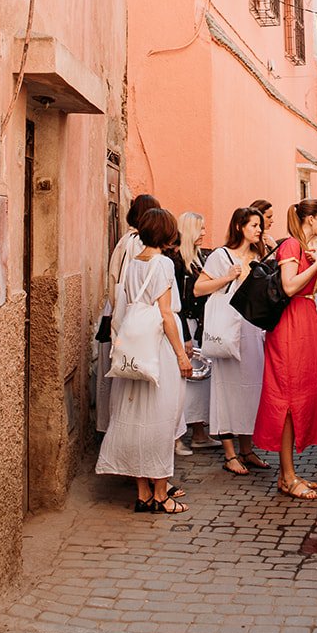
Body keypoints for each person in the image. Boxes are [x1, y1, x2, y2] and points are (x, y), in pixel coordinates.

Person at [95, 206, 195, 513]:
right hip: (159, 348)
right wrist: (181, 355)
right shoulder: (163, 263)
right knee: (162, 417)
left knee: (136, 417)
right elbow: (166, 313)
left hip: (136, 349)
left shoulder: (133, 263)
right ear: (166, 233)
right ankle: (161, 494)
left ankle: (143, 492)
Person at [252, 198, 317, 500]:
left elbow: (316, 290)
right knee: (287, 398)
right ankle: (286, 476)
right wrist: (316, 265)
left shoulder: (307, 249)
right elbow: (288, 286)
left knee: (303, 394)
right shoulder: (290, 246)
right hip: (290, 326)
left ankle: (289, 474)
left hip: (306, 321)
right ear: (310, 219)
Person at [194, 207, 269, 475]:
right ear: (239, 226)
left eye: (260, 225)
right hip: (227, 330)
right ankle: (229, 454)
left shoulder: (258, 256)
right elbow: (198, 288)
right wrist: (227, 277)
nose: (259, 229)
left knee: (251, 388)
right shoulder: (220, 255)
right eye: (254, 225)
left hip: (252, 329)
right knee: (226, 389)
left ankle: (247, 450)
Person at [95, 192, 160, 435]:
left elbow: (114, 278)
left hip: (117, 308)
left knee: (116, 369)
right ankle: (125, 428)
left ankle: (111, 426)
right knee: (129, 370)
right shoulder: (138, 243)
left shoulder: (124, 240)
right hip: (130, 311)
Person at [168, 211, 219, 456]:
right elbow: (174, 301)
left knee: (199, 381)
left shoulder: (198, 258)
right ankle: (176, 438)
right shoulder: (176, 261)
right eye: (200, 229)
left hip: (197, 325)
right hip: (184, 324)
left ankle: (199, 433)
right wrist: (185, 338)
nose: (204, 233)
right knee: (183, 383)